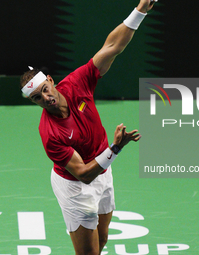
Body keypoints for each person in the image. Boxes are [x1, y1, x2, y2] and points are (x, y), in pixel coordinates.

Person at [20, 0, 156, 254]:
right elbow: (83, 174)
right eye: (37, 98)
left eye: (45, 90)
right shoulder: (50, 133)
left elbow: (112, 47)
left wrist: (139, 11)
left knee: (102, 240)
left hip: (103, 171)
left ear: (51, 81)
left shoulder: (77, 83)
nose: (45, 98)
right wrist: (115, 148)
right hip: (75, 186)